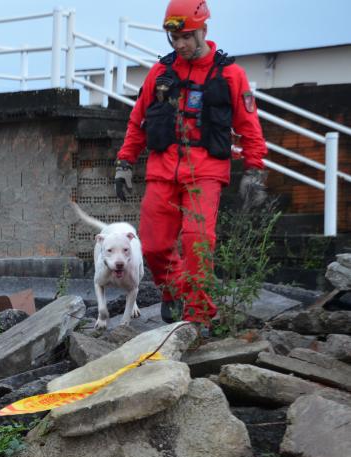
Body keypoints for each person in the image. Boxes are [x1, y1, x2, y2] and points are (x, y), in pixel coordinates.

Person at [113, 0, 267, 327]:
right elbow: (137, 120)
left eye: (186, 37)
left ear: (204, 30)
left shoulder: (230, 74)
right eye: (174, 38)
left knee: (197, 243)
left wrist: (254, 171)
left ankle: (199, 319)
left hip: (206, 171)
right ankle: (173, 290)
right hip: (162, 169)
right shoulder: (160, 72)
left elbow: (250, 127)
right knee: (152, 247)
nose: (180, 44)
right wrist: (125, 163)